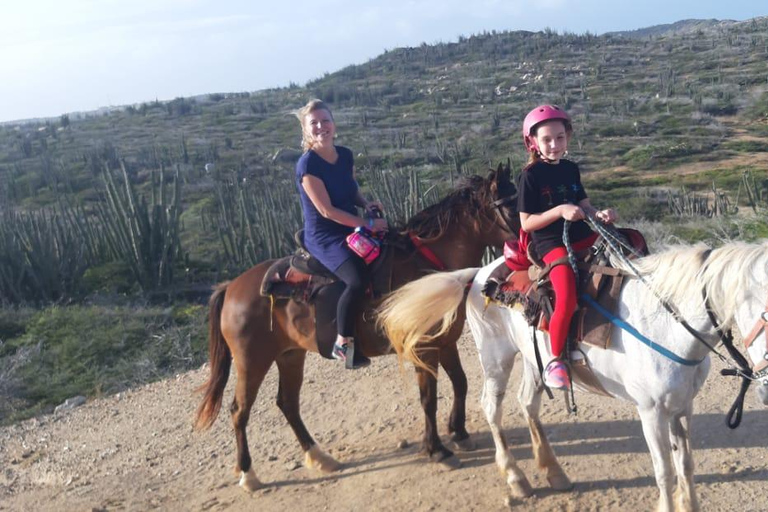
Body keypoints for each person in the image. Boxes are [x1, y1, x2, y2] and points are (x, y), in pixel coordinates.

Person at [517, 104, 617, 390]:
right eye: (547, 139)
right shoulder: (530, 176)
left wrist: (601, 214)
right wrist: (560, 210)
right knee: (567, 294)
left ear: (567, 138)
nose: (554, 145)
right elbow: (526, 223)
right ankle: (555, 360)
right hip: (550, 242)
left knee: (628, 245)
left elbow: (585, 205)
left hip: (580, 232)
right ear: (533, 142)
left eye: (560, 138)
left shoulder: (571, 169)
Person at [294, 99, 388, 369]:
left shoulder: (345, 155)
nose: (321, 127)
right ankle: (343, 342)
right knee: (356, 280)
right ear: (306, 130)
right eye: (314, 123)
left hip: (352, 223)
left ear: (334, 124)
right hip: (326, 235)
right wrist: (367, 224)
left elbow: (351, 188)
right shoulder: (307, 166)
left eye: (325, 120)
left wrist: (366, 204)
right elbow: (326, 211)